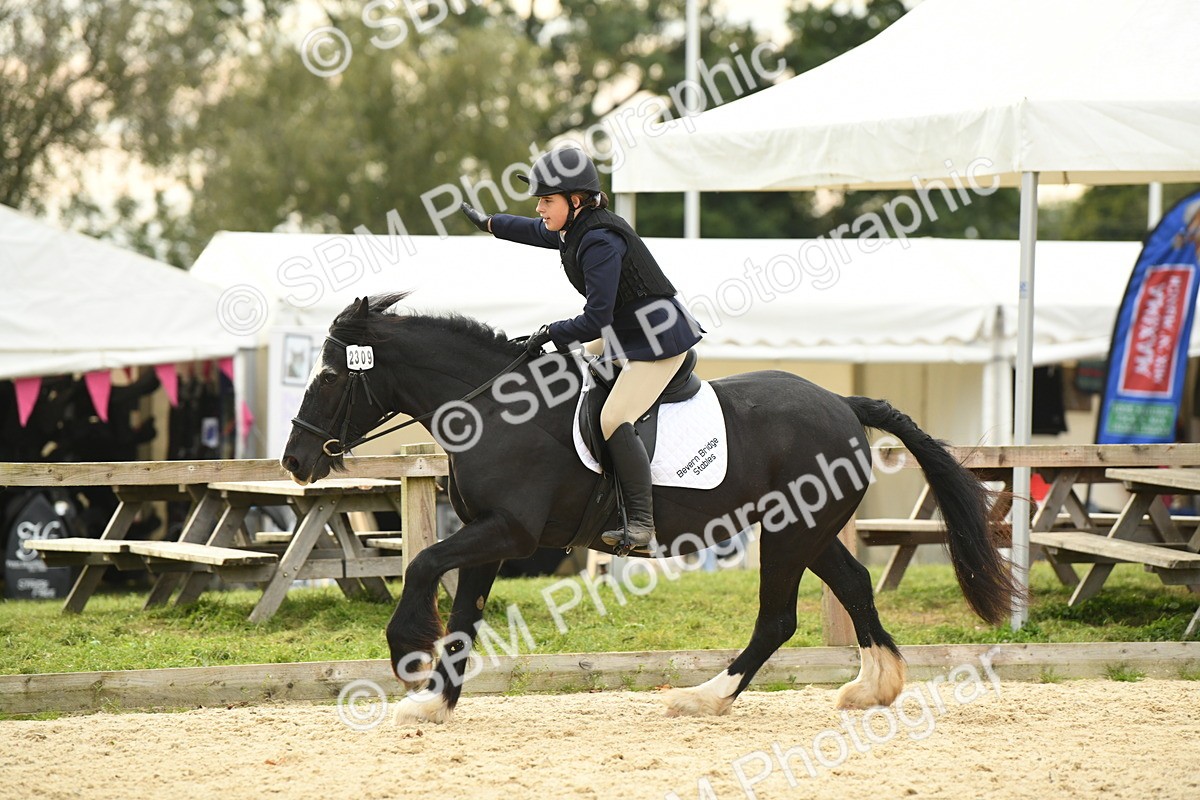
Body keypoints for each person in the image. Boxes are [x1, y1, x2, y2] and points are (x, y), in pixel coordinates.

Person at [459, 147, 702, 552]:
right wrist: (489, 223)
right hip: (629, 335)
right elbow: (535, 231)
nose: (539, 208)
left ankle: (642, 523)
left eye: (546, 200)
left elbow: (595, 320)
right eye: (538, 200)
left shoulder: (601, 241)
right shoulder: (576, 227)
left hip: (657, 342)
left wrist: (549, 332)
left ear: (576, 201)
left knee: (612, 418)